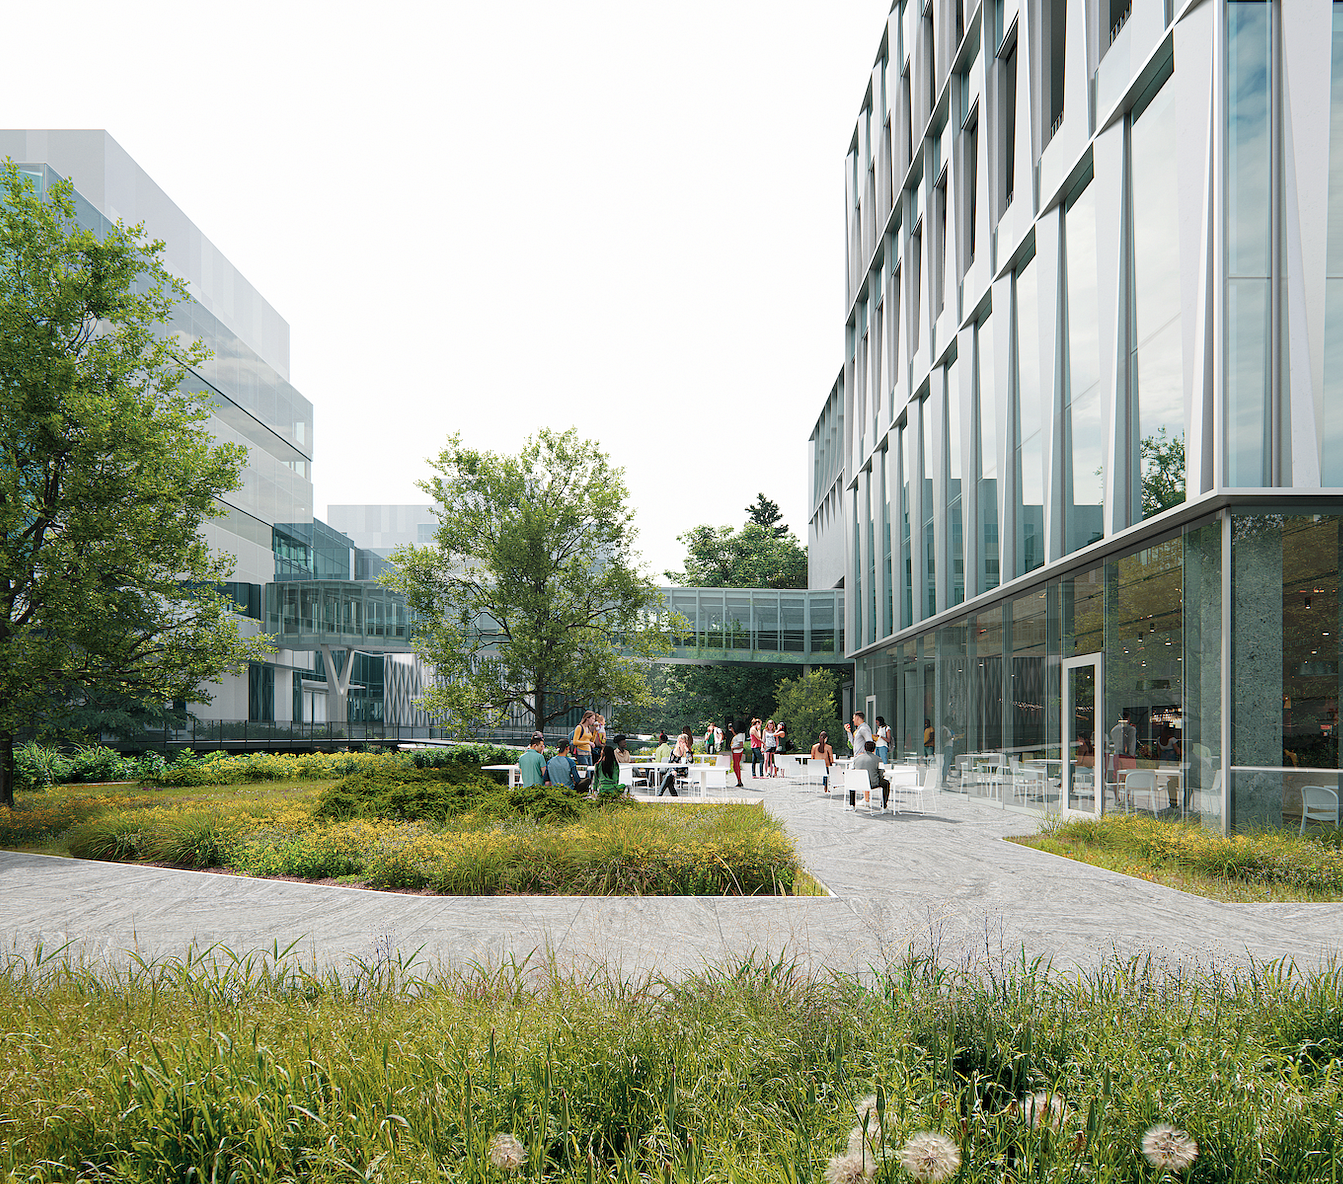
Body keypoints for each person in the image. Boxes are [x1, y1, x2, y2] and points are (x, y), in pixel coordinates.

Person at [851, 739, 890, 809]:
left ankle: (852, 804)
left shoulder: (856, 759)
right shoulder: (878, 759)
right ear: (874, 749)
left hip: (859, 783)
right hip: (872, 783)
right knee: (886, 783)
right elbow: (881, 772)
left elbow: (853, 771)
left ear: (864, 749)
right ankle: (884, 805)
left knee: (852, 783)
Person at [660, 729, 693, 796]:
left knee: (668, 777)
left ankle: (659, 795)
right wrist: (672, 770)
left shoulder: (688, 752)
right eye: (679, 741)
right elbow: (670, 763)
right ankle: (674, 796)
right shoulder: (674, 751)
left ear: (686, 742)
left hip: (683, 771)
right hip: (673, 771)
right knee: (669, 776)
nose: (680, 743)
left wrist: (686, 750)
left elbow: (691, 761)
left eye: (682, 742)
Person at [729, 721, 746, 788]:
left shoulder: (739, 735)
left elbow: (741, 745)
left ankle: (739, 780)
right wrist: (733, 731)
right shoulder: (741, 734)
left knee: (736, 766)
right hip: (738, 751)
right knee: (736, 766)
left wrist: (733, 748)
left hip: (736, 751)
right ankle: (739, 780)